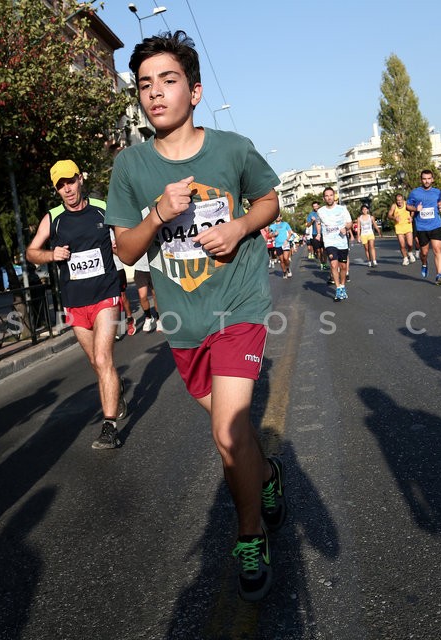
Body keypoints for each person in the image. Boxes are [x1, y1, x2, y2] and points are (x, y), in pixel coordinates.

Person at [104, 31, 286, 602]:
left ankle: (249, 536)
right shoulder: (130, 165)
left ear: (195, 91)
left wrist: (239, 227)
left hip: (239, 306)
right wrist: (158, 214)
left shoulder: (231, 150)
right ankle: (267, 476)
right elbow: (126, 250)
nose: (155, 93)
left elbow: (269, 200)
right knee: (239, 437)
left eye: (168, 80)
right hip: (183, 323)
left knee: (227, 434)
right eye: (145, 84)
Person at [26, 160, 128, 448]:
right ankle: (116, 388)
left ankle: (109, 427)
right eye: (60, 185)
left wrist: (120, 247)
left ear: (80, 179)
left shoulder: (103, 208)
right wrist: (51, 255)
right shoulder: (53, 218)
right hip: (73, 302)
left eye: (70, 181)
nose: (67, 189)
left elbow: (124, 239)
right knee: (96, 362)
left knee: (103, 358)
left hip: (106, 295)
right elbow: (32, 252)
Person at [406, 169, 441, 285]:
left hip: (435, 225)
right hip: (421, 227)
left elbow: (439, 202)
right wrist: (415, 209)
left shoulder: (437, 192)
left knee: (437, 249)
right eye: (424, 179)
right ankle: (424, 263)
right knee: (424, 253)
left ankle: (439, 275)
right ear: (421, 180)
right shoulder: (415, 193)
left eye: (429, 179)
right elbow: (408, 206)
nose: (427, 181)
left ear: (432, 179)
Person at [315, 186, 353, 300]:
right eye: (326, 196)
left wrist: (346, 228)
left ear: (334, 196)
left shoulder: (342, 209)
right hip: (329, 241)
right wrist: (318, 233)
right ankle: (338, 289)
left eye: (331, 195)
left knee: (343, 266)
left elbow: (350, 223)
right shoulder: (320, 211)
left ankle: (342, 286)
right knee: (333, 264)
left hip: (342, 241)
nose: (329, 198)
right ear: (324, 198)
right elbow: (318, 222)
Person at [132, 250, 162, 332]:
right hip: (140, 270)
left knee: (155, 295)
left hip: (154, 267)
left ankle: (159, 319)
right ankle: (148, 317)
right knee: (142, 296)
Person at [388, 193, 416, 266]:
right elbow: (389, 215)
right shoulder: (394, 206)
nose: (399, 202)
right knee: (402, 245)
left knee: (410, 244)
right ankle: (405, 258)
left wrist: (411, 217)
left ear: (403, 200)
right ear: (396, 201)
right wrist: (394, 218)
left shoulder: (407, 203)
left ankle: (410, 252)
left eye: (400, 200)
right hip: (399, 227)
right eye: (398, 200)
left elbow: (413, 210)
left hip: (407, 225)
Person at [268, 213, 293, 279]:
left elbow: (290, 232)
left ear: (281, 218)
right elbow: (269, 235)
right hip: (278, 245)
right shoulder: (272, 226)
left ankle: (288, 268)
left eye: (279, 216)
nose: (278, 217)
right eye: (276, 216)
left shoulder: (285, 224)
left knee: (286, 258)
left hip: (285, 243)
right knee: (281, 260)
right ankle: (284, 272)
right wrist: (274, 234)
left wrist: (287, 240)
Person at [306, 202, 327, 269]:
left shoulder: (323, 212)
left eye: (316, 206)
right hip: (315, 234)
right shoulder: (311, 214)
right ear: (313, 207)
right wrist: (312, 221)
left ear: (319, 206)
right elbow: (308, 225)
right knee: (318, 250)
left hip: (324, 233)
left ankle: (325, 263)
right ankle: (322, 263)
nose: (315, 207)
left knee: (324, 250)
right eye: (314, 206)